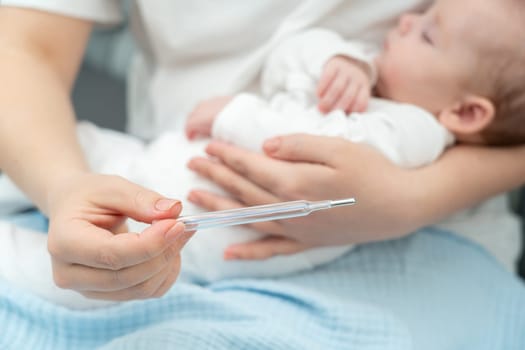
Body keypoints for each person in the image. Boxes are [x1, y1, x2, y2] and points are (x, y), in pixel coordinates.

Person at [1, 0, 525, 344]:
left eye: (428, 35)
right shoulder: (368, 72)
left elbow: (294, 142)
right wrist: (63, 185)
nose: (406, 20)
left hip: (419, 240)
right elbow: (22, 50)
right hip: (167, 162)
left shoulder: (411, 130)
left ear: (467, 114)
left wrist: (419, 198)